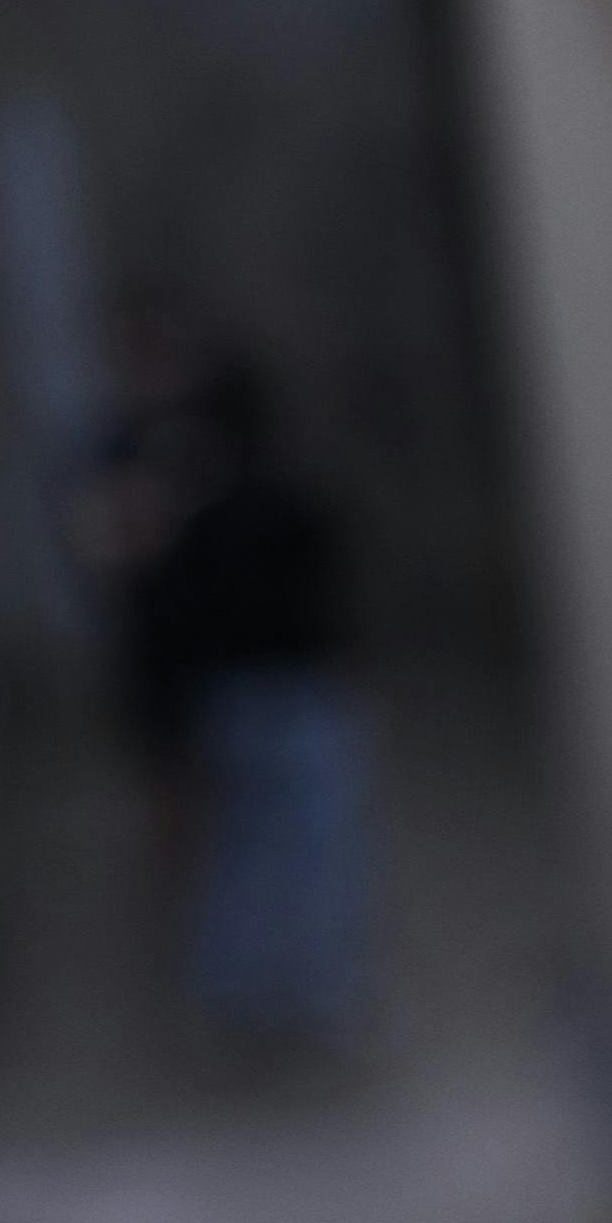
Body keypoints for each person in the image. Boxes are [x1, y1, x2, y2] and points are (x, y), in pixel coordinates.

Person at [117, 339, 373, 1051]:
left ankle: (250, 1003)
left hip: (241, 700)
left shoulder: (201, 517)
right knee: (305, 855)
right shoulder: (287, 500)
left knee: (245, 856)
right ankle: (301, 999)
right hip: (291, 696)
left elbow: (173, 623)